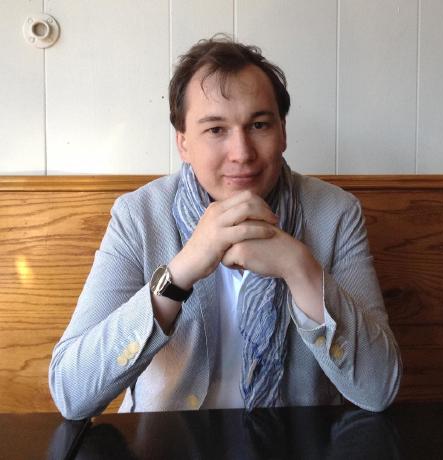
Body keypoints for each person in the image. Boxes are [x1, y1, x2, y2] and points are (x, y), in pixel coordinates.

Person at [49, 36, 402, 420]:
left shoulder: (335, 214)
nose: (242, 153)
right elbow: (72, 393)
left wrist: (301, 269)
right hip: (167, 442)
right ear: (183, 143)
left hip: (294, 442)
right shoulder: (139, 216)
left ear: (283, 133)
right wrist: (180, 273)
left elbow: (379, 389)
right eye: (216, 129)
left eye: (259, 125)